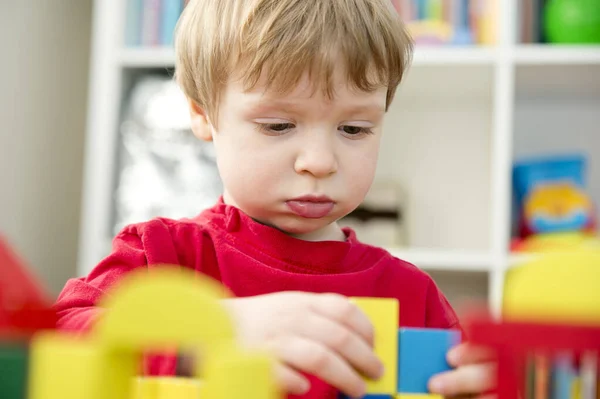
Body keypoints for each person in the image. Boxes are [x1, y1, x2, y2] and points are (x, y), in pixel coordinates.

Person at [54, 0, 495, 398]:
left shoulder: (411, 295)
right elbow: (52, 341)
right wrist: (215, 332)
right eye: (278, 126)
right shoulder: (162, 256)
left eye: (354, 129)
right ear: (202, 114)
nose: (319, 162)